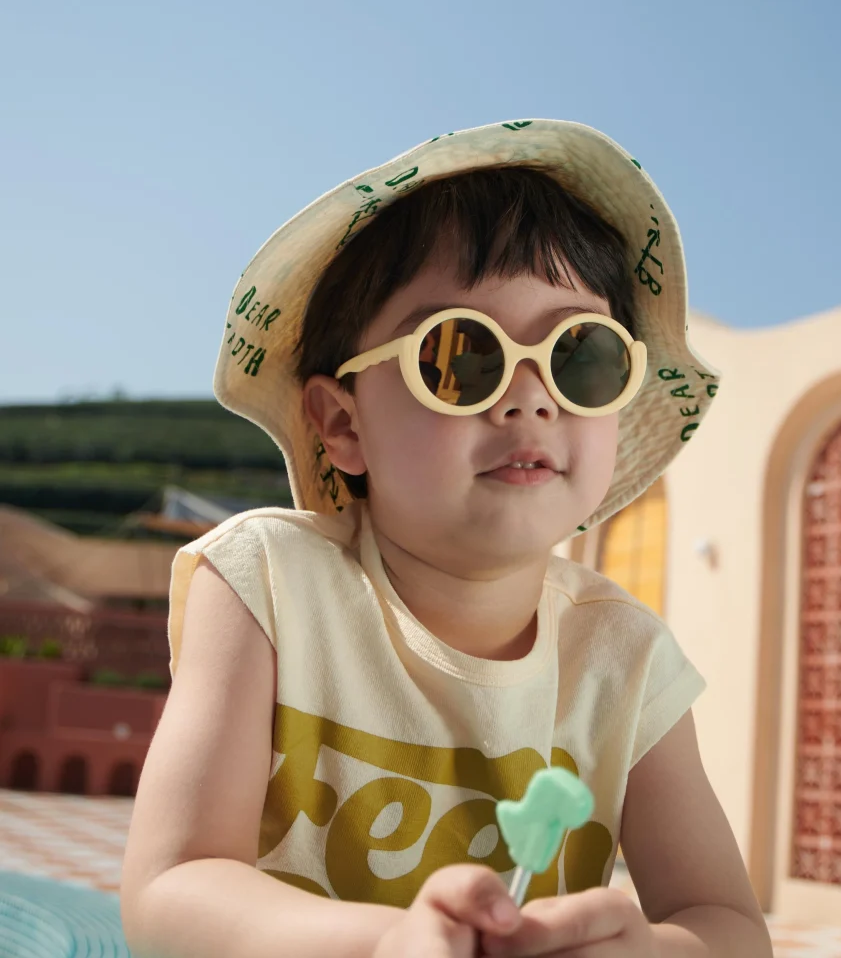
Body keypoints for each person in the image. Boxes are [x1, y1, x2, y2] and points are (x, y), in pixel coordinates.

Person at [120, 120, 773, 958]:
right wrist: (389, 945)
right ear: (341, 423)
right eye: (461, 356)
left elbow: (728, 926)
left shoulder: (626, 661)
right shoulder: (266, 585)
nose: (531, 397)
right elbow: (172, 888)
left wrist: (651, 950)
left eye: (580, 357)